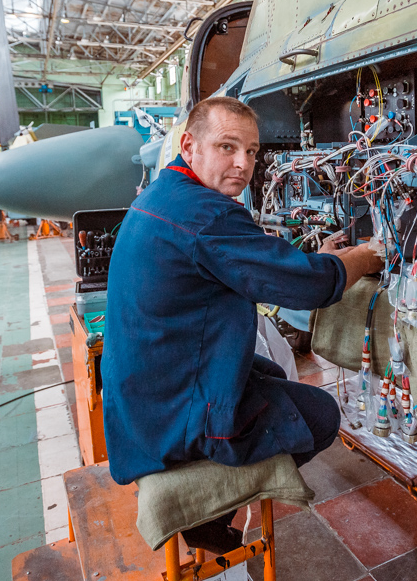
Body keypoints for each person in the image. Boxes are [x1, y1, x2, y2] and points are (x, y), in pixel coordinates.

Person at [102, 96, 383, 553]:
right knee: (321, 415)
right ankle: (207, 510)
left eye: (251, 152)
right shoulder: (209, 215)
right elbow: (311, 288)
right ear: (190, 145)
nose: (243, 164)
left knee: (267, 373)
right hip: (171, 414)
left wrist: (304, 259)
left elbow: (239, 258)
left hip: (140, 400)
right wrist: (365, 256)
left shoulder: (165, 193)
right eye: (228, 148)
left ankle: (210, 509)